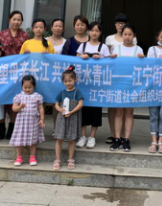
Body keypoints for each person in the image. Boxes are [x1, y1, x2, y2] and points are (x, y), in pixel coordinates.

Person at [109, 25, 144, 152]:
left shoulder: (138, 49)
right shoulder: (116, 48)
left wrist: (142, 59)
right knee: (119, 112)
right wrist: (111, 59)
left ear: (134, 35)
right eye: (125, 34)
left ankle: (126, 139)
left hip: (132, 85)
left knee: (129, 113)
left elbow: (143, 67)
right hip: (119, 84)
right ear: (122, 35)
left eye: (130, 34)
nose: (127, 37)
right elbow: (111, 65)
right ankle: (117, 138)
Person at [76, 22, 110, 150]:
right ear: (88, 32)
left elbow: (109, 64)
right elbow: (76, 60)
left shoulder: (104, 47)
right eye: (92, 30)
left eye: (97, 30)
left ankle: (92, 137)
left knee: (96, 110)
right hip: (84, 83)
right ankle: (83, 136)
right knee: (83, 108)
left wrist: (100, 58)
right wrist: (81, 57)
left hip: (97, 84)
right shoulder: (83, 45)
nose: (94, 33)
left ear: (100, 32)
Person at [0, 11, 29, 140]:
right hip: (3, 71)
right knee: (2, 100)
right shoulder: (1, 34)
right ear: (9, 20)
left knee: (15, 99)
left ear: (21, 22)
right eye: (14, 19)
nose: (16, 22)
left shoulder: (25, 35)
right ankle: (1, 127)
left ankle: (12, 126)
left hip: (18, 72)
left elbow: (28, 53)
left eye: (19, 19)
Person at [10, 75, 45, 167]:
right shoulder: (18, 97)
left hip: (33, 122)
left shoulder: (37, 96)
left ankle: (32, 157)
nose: (27, 89)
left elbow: (40, 108)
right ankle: (19, 157)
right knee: (19, 140)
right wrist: (20, 107)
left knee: (33, 140)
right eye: (25, 87)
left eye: (30, 87)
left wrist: (42, 119)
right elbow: (14, 108)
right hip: (21, 123)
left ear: (34, 86)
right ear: (22, 86)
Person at [54, 66, 84, 171]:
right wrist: (60, 110)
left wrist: (71, 112)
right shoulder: (62, 92)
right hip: (62, 119)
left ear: (75, 80)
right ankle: (57, 159)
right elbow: (56, 104)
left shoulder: (77, 92)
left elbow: (80, 103)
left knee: (71, 139)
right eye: (65, 81)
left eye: (70, 81)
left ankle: (71, 159)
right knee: (59, 138)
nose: (68, 83)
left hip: (73, 117)